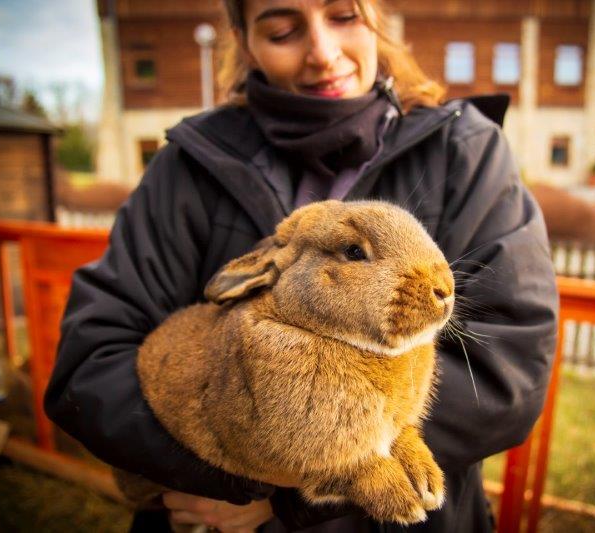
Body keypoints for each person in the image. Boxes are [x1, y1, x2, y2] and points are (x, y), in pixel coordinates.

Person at [44, 0, 559, 531]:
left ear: (377, 17)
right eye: (284, 30)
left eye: (343, 16)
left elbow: (513, 364)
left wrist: (289, 490)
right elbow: (91, 363)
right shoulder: (188, 163)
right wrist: (228, 478)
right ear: (245, 41)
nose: (322, 53)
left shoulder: (465, 149)